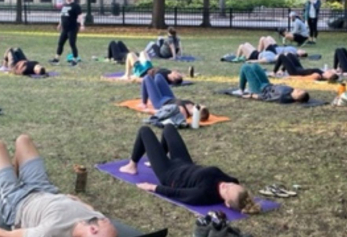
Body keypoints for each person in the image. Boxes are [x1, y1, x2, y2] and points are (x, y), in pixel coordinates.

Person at [0, 135, 118, 237]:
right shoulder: (95, 219)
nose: (104, 219)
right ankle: (11, 176)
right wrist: (76, 201)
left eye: (105, 222)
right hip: (45, 189)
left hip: (17, 203)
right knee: (23, 140)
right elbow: (90, 209)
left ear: (93, 230)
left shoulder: (50, 232)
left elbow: (8, 236)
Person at [119, 125, 261, 214]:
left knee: (145, 131)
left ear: (227, 204)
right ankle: (156, 157)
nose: (226, 184)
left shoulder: (203, 195)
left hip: (169, 173)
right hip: (185, 163)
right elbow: (235, 186)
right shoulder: (231, 183)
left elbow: (177, 193)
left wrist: (151, 187)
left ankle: (132, 165)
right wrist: (238, 191)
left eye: (226, 190)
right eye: (231, 185)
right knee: (169, 128)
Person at [140, 73, 208, 121]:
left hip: (160, 103)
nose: (198, 105)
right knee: (158, 76)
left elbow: (165, 113)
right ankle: (153, 92)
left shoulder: (183, 113)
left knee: (147, 78)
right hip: (170, 97)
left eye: (198, 107)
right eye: (200, 105)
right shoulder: (192, 105)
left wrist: (150, 110)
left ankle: (143, 103)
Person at [237, 63, 310, 103]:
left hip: (259, 90)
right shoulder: (290, 90)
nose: (298, 90)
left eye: (299, 92)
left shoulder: (283, 97)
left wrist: (251, 95)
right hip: (267, 84)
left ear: (296, 99)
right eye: (300, 90)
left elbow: (266, 97)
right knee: (255, 66)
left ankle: (241, 90)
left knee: (245, 67)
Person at [51, 0, 85, 66]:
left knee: (72, 43)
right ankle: (56, 59)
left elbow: (80, 16)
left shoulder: (76, 6)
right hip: (65, 28)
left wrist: (82, 25)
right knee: (60, 43)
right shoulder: (64, 5)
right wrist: (60, 24)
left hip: (72, 28)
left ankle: (75, 60)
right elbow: (62, 15)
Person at [121, 50, 185, 85]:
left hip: (142, 72)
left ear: (173, 78)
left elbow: (147, 81)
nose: (176, 72)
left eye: (177, 74)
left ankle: (127, 75)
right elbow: (180, 75)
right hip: (149, 67)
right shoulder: (169, 73)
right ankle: (137, 60)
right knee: (143, 53)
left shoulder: (161, 78)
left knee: (130, 54)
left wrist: (135, 79)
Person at [273, 53, 338, 81]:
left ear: (328, 78)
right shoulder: (322, 72)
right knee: (290, 55)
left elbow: (303, 78)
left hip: (295, 72)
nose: (329, 71)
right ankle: (282, 70)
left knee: (282, 56)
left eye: (329, 73)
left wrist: (290, 77)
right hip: (300, 69)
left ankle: (274, 72)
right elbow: (335, 74)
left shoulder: (317, 75)